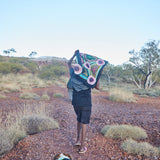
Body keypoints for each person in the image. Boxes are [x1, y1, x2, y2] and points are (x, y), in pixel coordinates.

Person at [67, 50, 100, 154]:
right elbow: (98, 87)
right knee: (84, 123)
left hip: (75, 102)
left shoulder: (73, 74)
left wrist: (73, 55)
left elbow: (68, 63)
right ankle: (82, 147)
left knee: (78, 120)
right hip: (85, 103)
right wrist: (98, 74)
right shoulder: (89, 77)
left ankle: (77, 140)